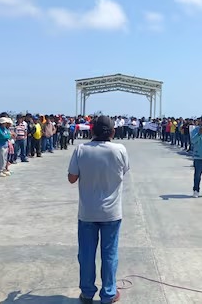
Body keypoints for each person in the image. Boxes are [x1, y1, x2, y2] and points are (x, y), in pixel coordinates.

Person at [67, 116, 129, 304]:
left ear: (91, 131)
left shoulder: (81, 149)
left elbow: (71, 178)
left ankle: (87, 293)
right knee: (109, 254)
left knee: (86, 255)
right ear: (112, 132)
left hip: (87, 212)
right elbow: (124, 171)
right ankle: (108, 294)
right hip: (111, 213)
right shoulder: (120, 149)